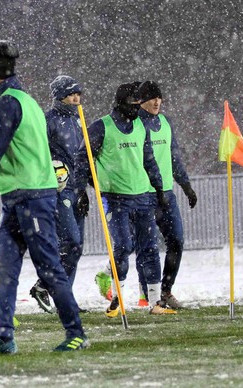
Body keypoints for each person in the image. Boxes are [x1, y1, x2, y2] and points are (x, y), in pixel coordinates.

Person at [0, 40, 87, 353]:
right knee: (4, 269)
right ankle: (5, 338)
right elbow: (24, 152)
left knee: (49, 266)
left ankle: (76, 333)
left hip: (32, 199)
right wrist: (0, 184)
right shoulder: (27, 100)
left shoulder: (9, 103)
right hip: (18, 197)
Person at [73, 82, 176, 317]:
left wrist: (158, 188)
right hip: (115, 198)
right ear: (121, 104)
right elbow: (83, 159)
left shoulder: (141, 126)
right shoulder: (101, 127)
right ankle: (116, 299)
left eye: (139, 103)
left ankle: (154, 303)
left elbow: (148, 159)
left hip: (142, 196)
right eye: (133, 104)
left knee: (149, 248)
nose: (137, 108)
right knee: (123, 246)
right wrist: (82, 190)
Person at [131, 81, 197, 309]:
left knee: (176, 241)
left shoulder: (166, 122)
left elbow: (174, 156)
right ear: (141, 101)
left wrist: (186, 185)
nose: (157, 102)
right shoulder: (134, 123)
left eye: (159, 97)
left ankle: (166, 290)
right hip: (143, 195)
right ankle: (149, 294)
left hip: (166, 195)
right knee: (145, 247)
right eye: (151, 98)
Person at [29, 75, 89, 314]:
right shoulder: (48, 121)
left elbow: (85, 159)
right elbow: (37, 154)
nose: (76, 98)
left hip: (78, 190)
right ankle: (44, 284)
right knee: (70, 242)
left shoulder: (80, 120)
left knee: (77, 246)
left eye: (78, 94)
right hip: (60, 191)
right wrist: (51, 174)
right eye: (71, 93)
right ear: (59, 95)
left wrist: (85, 187)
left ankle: (66, 300)